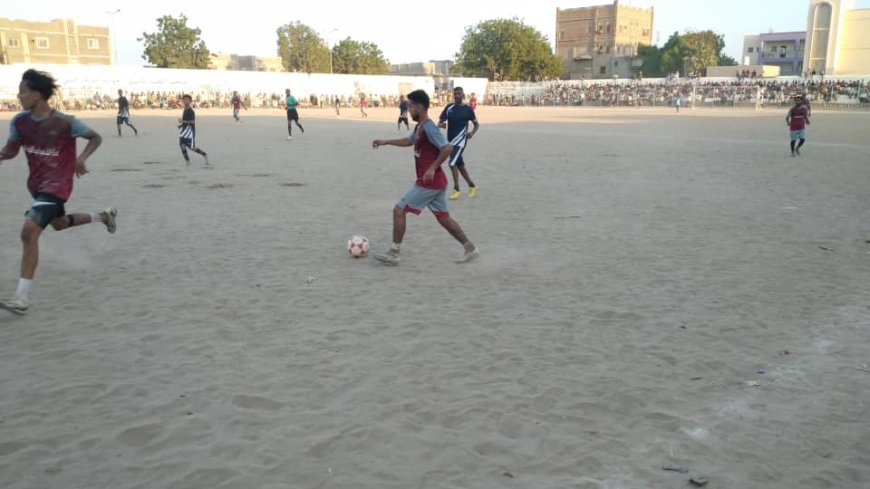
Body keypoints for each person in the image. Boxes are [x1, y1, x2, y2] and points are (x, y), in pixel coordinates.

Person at [0, 69, 118, 315]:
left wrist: (81, 159)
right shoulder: (19, 122)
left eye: (22, 91)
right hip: (37, 185)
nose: (18, 96)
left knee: (28, 233)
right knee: (59, 224)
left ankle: (21, 297)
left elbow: (95, 137)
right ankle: (103, 216)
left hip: (58, 185)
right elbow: (10, 151)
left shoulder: (65, 122)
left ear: (37, 94)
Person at [370, 90, 479, 266]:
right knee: (444, 218)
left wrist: (432, 167)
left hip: (429, 182)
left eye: (411, 105)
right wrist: (386, 141)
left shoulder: (429, 127)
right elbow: (409, 141)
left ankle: (394, 253)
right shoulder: (420, 127)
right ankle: (470, 248)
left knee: (399, 210)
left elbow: (447, 148)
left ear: (419, 107)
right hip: (437, 182)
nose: (409, 109)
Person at [438, 86, 480, 200]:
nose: (456, 95)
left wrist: (471, 133)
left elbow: (476, 124)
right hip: (450, 141)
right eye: (455, 94)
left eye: (458, 93)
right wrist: (441, 125)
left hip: (461, 141)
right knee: (459, 165)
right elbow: (440, 121)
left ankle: (456, 189)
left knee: (452, 163)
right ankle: (472, 186)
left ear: (463, 95)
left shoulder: (468, 109)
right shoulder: (449, 107)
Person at [178, 94, 209, 166]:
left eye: (187, 100)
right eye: (184, 100)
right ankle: (187, 161)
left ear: (190, 101)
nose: (185, 101)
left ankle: (204, 154)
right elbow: (186, 120)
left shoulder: (190, 111)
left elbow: (192, 122)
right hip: (184, 131)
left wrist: (182, 121)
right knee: (182, 145)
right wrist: (181, 125)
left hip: (190, 131)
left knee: (191, 147)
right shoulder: (185, 109)